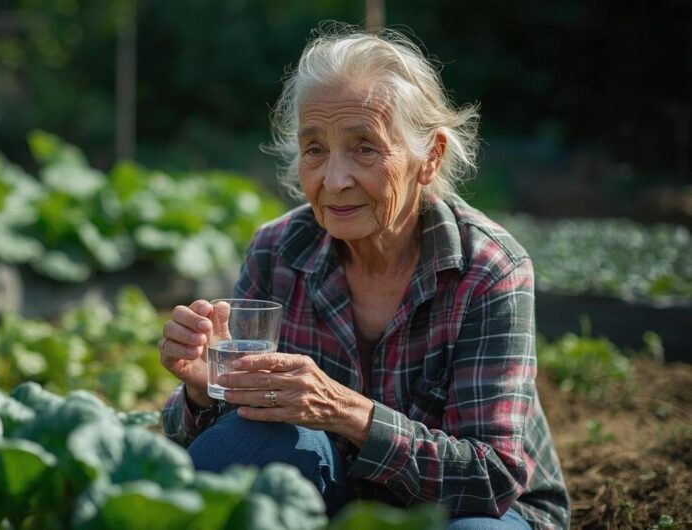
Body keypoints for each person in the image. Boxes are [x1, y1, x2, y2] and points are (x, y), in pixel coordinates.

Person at [158, 26, 570, 530]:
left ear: (430, 158)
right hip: (337, 492)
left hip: (475, 512)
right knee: (248, 443)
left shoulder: (488, 269)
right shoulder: (277, 250)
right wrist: (204, 394)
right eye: (315, 150)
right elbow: (212, 442)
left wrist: (347, 412)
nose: (334, 180)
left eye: (364, 149)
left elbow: (492, 480)